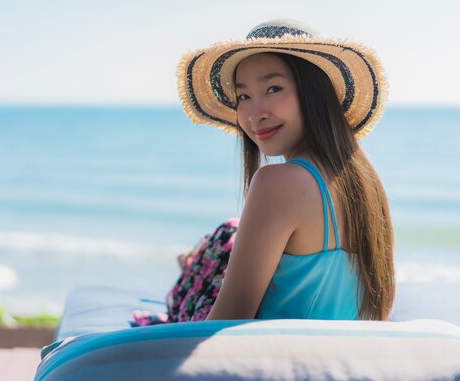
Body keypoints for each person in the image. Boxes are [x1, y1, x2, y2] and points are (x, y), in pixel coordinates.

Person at [133, 19, 394, 325]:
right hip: (334, 358)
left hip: (274, 362)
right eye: (243, 96)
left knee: (223, 238)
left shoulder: (279, 182)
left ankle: (195, 264)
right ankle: (195, 261)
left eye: (273, 88)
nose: (255, 114)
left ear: (315, 92)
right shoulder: (365, 182)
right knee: (230, 233)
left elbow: (225, 321)